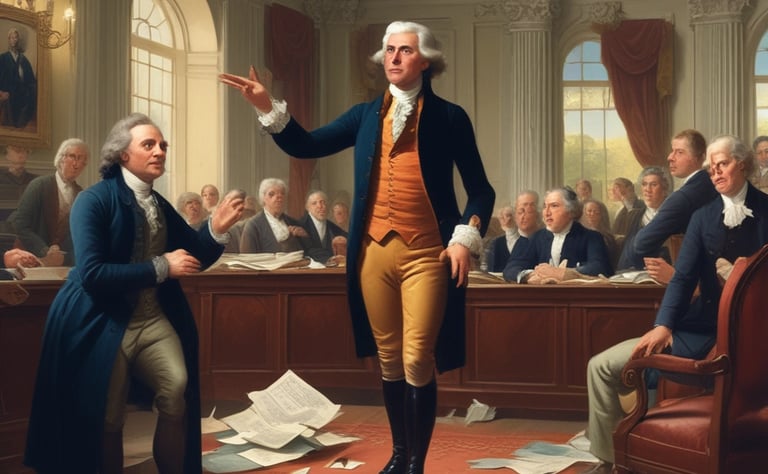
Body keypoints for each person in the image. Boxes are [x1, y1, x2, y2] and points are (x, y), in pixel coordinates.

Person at [220, 20, 495, 473]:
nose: (394, 57)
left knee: (417, 357)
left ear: (425, 61)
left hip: (428, 253)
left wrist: (466, 235)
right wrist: (266, 104)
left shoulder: (450, 117)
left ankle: (416, 465)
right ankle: (400, 456)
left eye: (405, 50)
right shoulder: (364, 115)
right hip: (372, 253)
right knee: (388, 358)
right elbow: (306, 145)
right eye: (389, 50)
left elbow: (481, 190)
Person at [23, 112, 244, 474]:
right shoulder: (93, 200)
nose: (160, 151)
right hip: (101, 320)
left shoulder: (158, 203)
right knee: (109, 416)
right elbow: (92, 274)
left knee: (177, 389)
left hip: (151, 318)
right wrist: (161, 267)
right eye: (149, 144)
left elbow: (193, 257)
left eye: (163, 145)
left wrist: (215, 230)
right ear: (123, 154)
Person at [585, 134, 768, 471]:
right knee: (601, 366)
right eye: (711, 168)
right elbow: (682, 279)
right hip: (698, 331)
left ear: (743, 164)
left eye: (723, 164)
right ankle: (612, 459)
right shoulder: (702, 217)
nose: (716, 172)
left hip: (756, 339)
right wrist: (663, 325)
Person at [620, 129, 719, 271]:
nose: (670, 157)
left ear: (699, 157)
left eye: (679, 152)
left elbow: (641, 244)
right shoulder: (711, 184)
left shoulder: (684, 197)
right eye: (672, 151)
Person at [504, 187, 612, 283]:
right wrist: (530, 275)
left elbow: (600, 268)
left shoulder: (591, 237)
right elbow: (511, 269)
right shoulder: (537, 238)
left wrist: (564, 273)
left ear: (571, 211)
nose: (547, 213)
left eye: (554, 206)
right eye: (545, 206)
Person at [10, 138, 89, 266]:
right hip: (28, 258)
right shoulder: (39, 185)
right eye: (73, 157)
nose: (77, 164)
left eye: (82, 160)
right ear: (61, 158)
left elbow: (78, 235)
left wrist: (63, 258)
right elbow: (20, 224)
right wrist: (44, 250)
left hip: (60, 264)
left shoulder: (82, 195)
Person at [615, 166, 670, 272]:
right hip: (634, 274)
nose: (647, 189)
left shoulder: (671, 216)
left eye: (653, 184)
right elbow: (626, 255)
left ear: (664, 190)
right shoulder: (635, 216)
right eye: (644, 184)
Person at [239, 177, 310, 254]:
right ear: (263, 198)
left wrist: (305, 237)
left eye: (282, 193)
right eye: (271, 194)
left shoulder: (293, 222)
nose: (279, 197)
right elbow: (247, 256)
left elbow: (307, 252)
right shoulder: (253, 225)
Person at [485, 191, 540, 272]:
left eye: (530, 210)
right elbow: (491, 271)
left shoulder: (542, 238)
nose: (523, 216)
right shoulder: (497, 243)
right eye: (520, 211)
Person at [0, 27, 37, 129]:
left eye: (16, 37)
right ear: (9, 40)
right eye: (12, 38)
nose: (14, 40)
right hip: (7, 96)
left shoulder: (23, 59)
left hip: (21, 96)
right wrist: (1, 92)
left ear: (18, 40)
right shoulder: (3, 58)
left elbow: (30, 80)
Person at [298, 189, 348, 264]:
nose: (320, 206)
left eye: (322, 202)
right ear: (307, 207)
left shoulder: (333, 227)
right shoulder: (300, 226)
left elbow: (348, 239)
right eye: (314, 203)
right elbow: (308, 250)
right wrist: (329, 259)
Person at [580, 198, 619, 269]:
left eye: (596, 212)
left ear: (602, 215)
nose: (592, 214)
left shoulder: (607, 238)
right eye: (589, 211)